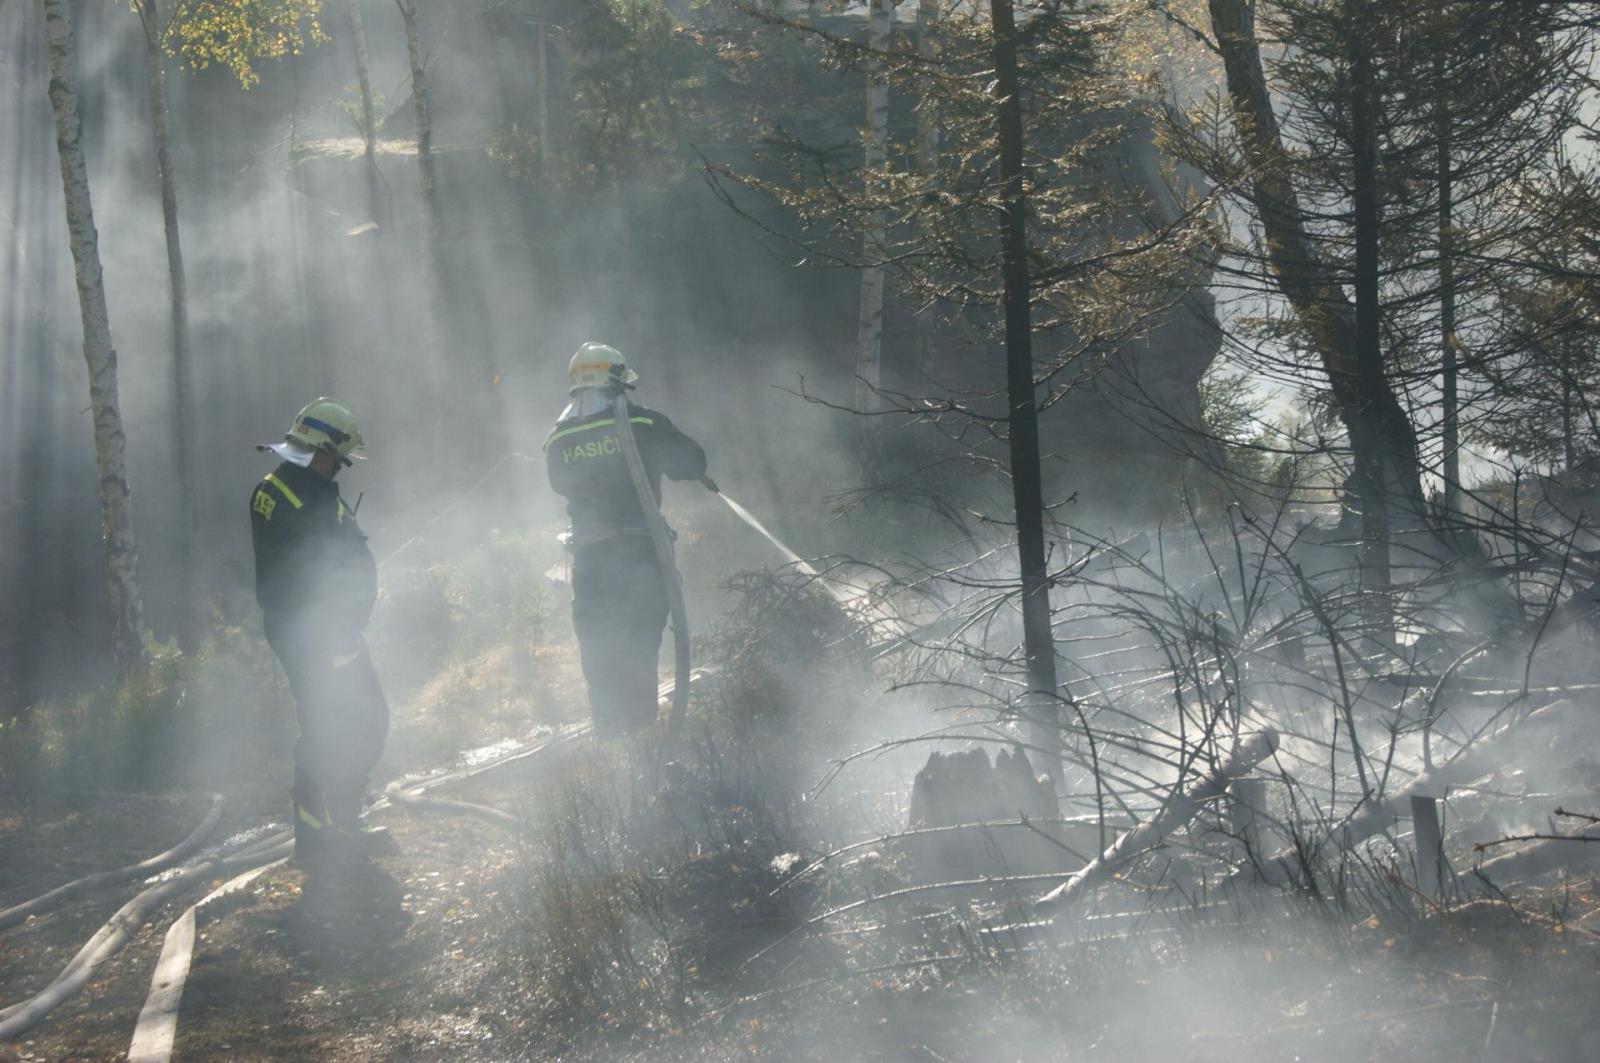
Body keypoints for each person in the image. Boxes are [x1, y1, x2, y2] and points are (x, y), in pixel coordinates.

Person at [544, 343, 711, 737]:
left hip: (590, 563)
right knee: (637, 653)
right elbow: (692, 461)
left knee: (599, 658)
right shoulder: (642, 424)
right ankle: (642, 748)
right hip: (639, 557)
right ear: (618, 381)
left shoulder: (559, 438)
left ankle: (611, 745)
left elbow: (559, 484)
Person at [250, 398, 392, 862]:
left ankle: (325, 834)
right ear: (323, 449)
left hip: (307, 629)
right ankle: (333, 833)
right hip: (322, 633)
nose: (339, 471)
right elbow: (324, 567)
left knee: (331, 724)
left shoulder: (275, 487)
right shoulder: (306, 497)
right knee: (355, 722)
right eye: (339, 459)